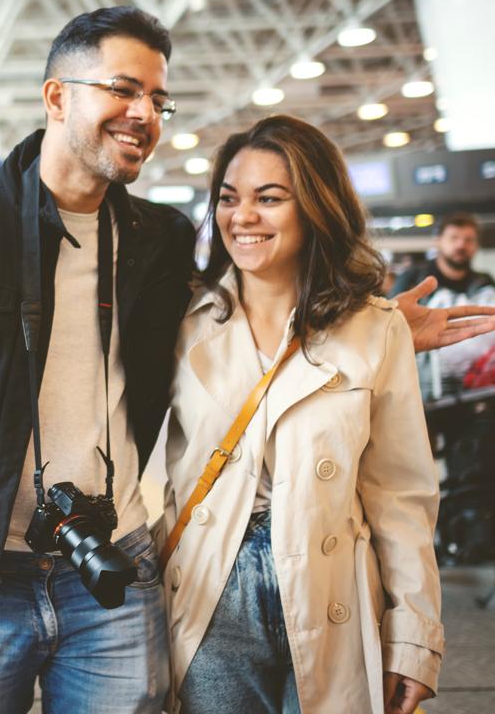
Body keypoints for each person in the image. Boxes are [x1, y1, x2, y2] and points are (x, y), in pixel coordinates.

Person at [0, 6, 494, 714]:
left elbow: (259, 309)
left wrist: (373, 322)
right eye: (123, 89)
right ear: (57, 96)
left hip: (117, 574)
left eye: (158, 100)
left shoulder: (160, 240)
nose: (145, 115)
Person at [162, 115, 443, 714]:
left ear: (315, 206)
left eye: (270, 198)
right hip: (213, 590)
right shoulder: (182, 320)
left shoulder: (375, 329)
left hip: (331, 583)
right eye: (229, 199)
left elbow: (401, 495)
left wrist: (416, 635)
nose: (243, 217)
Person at [389, 213, 495, 398]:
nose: (461, 245)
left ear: (476, 245)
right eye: (454, 238)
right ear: (439, 241)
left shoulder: (484, 282)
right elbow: (387, 323)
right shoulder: (412, 278)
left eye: (468, 240)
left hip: (477, 388)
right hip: (422, 389)